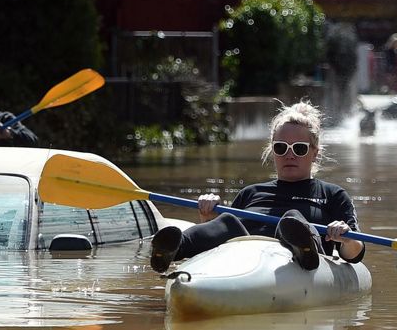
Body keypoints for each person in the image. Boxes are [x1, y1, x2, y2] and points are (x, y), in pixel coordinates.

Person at [149, 100, 365, 273]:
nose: (289, 154)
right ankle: (174, 248)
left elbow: (354, 254)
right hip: (246, 256)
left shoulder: (333, 195)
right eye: (281, 147)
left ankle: (302, 247)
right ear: (273, 151)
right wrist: (208, 216)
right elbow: (221, 237)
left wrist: (346, 237)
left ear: (315, 152)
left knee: (292, 218)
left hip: (297, 262)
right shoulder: (250, 193)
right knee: (228, 220)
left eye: (299, 148)